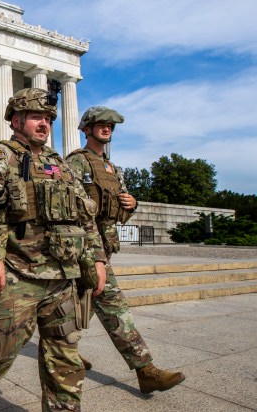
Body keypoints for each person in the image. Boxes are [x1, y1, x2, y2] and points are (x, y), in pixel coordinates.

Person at [0, 88, 107, 411]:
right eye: (37, 117)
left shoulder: (58, 163)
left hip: (62, 276)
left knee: (65, 357)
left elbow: (85, 214)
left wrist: (96, 258)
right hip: (15, 273)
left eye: (49, 118)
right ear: (16, 120)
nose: (44, 124)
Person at [66, 106, 186, 394]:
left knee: (79, 305)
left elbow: (118, 209)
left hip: (104, 246)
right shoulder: (77, 162)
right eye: (101, 124)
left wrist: (132, 205)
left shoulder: (113, 168)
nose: (107, 128)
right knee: (113, 304)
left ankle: (65, 350)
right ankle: (146, 370)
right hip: (85, 247)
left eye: (110, 125)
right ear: (87, 129)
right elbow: (71, 207)